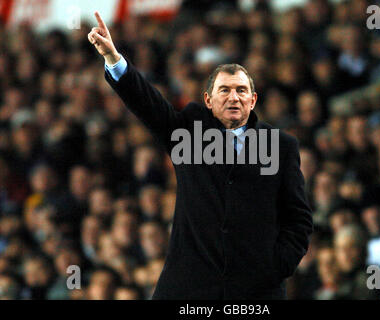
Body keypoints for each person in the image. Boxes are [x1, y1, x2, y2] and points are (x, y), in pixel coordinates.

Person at [87, 12, 313, 299]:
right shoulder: (188, 135)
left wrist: (276, 265)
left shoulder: (280, 146)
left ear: (253, 100)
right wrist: (114, 59)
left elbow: (299, 219)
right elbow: (149, 104)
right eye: (224, 91)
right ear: (208, 100)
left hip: (255, 292)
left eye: (242, 90)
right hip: (187, 287)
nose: (234, 97)